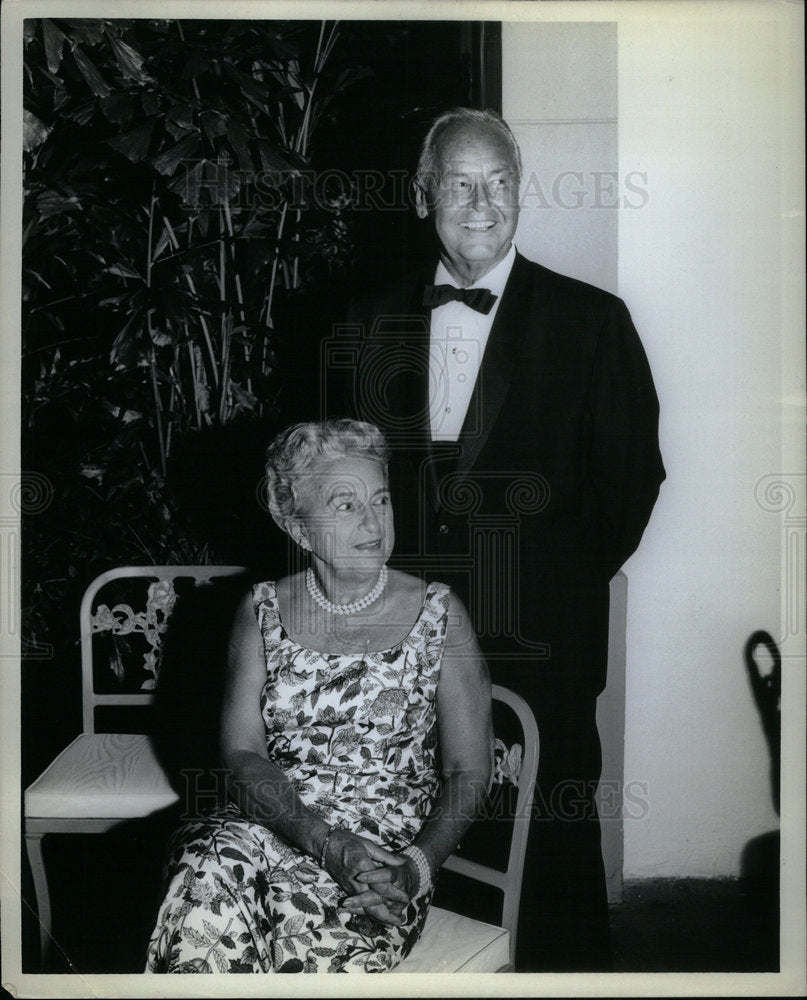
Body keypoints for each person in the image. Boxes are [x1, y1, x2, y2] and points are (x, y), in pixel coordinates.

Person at [342, 107, 666, 971]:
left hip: (543, 641)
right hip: (400, 639)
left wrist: (548, 585)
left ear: (519, 195)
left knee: (551, 852)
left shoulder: (593, 322)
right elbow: (347, 487)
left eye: (499, 184)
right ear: (423, 197)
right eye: (458, 183)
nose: (480, 204)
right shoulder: (367, 323)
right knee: (409, 837)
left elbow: (631, 482)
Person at [144, 418, 493, 973]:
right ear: (299, 527)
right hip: (272, 823)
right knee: (203, 877)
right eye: (345, 505)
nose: (373, 521)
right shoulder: (260, 610)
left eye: (380, 499)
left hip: (383, 857)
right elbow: (241, 754)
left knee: (320, 953)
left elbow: (469, 769)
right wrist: (321, 839)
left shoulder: (441, 615)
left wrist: (417, 868)